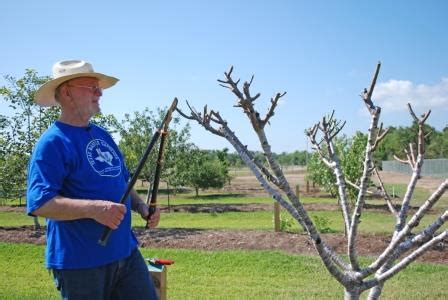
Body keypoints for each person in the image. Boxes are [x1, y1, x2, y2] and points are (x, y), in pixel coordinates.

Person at [27, 59, 161, 299]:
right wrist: (95, 209)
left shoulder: (103, 135)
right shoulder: (52, 143)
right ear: (67, 92)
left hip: (125, 253)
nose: (100, 93)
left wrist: (141, 206)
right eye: (92, 87)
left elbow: (122, 181)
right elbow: (40, 203)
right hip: (81, 263)